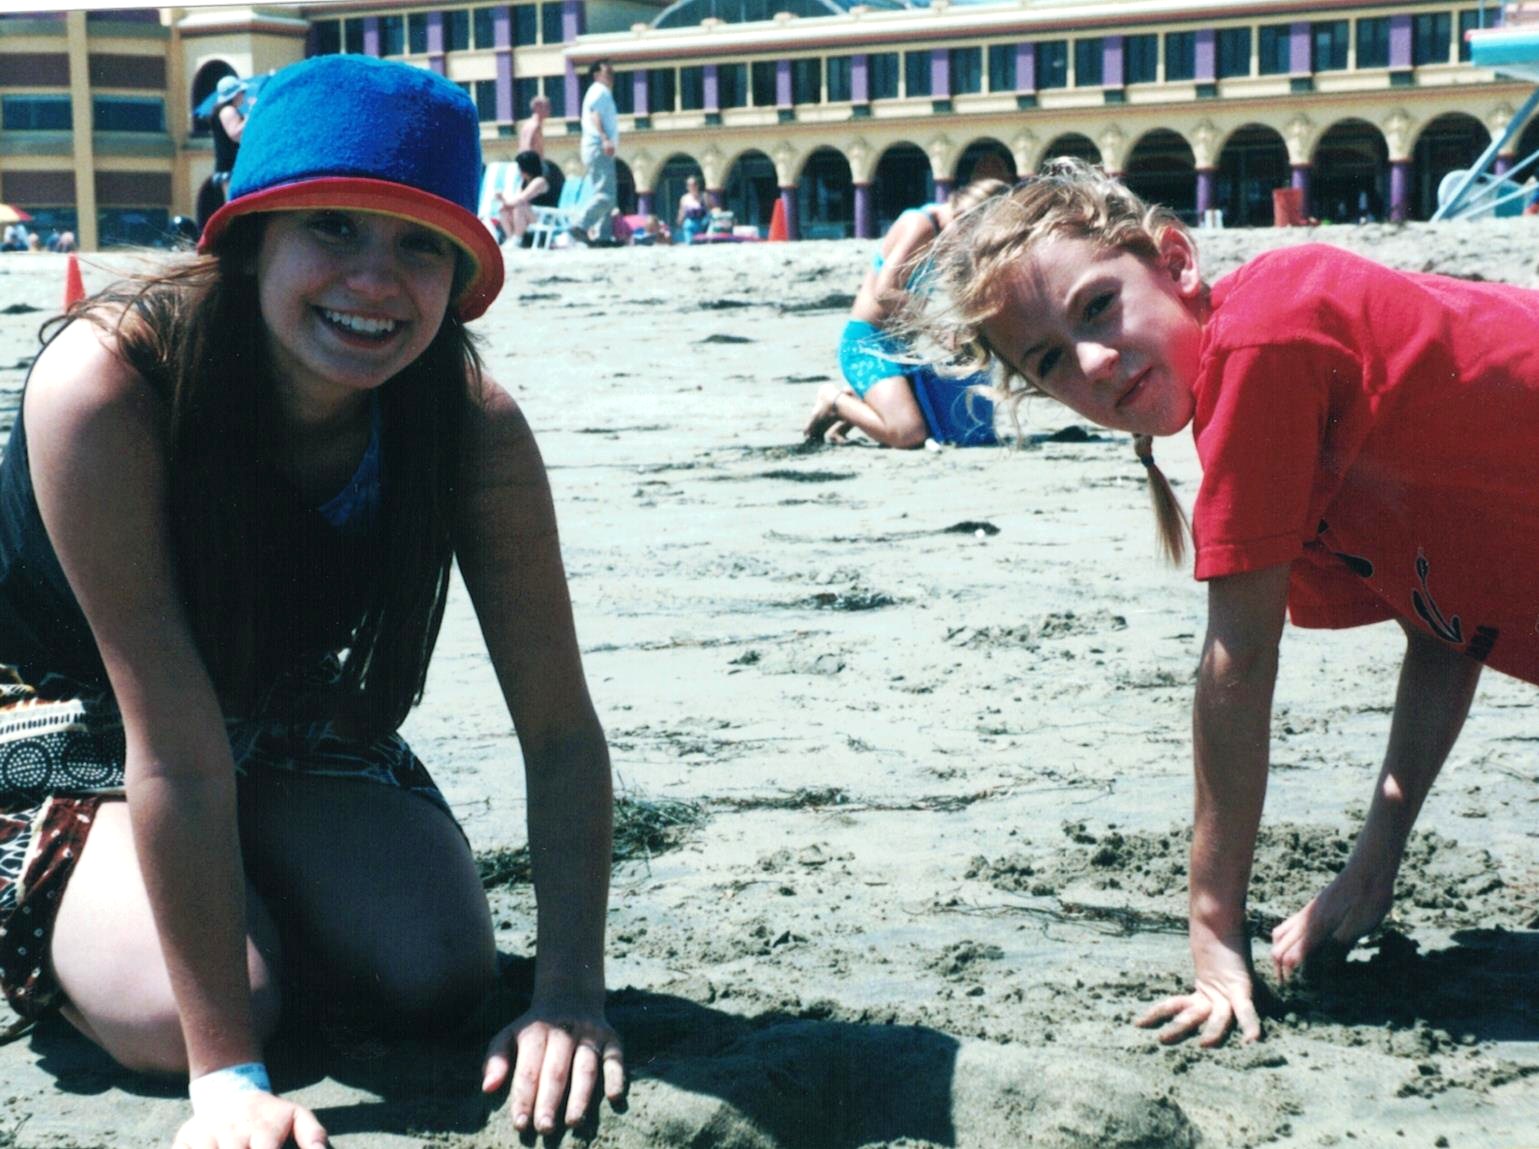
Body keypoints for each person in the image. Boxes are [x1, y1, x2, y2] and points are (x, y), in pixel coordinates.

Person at [0, 53, 624, 1148]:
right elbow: (170, 739)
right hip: (59, 721)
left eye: (421, 244)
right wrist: (227, 1078)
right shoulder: (109, 388)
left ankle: (225, 886)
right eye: (333, 228)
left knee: (432, 972)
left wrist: (569, 995)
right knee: (180, 1014)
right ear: (250, 241)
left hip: (268, 717)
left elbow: (562, 734)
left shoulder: (469, 428)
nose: (376, 280)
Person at [911, 157, 1539, 1047]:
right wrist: (1374, 863)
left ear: (1175, 261)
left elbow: (1234, 667)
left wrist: (1212, 929)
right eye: (1049, 361)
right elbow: (1443, 622)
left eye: (1098, 306)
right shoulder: (1275, 395)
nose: (1092, 361)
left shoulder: (1267, 342)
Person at [803, 179, 1008, 449]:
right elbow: (885, 292)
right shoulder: (920, 224)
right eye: (970, 235)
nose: (967, 245)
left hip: (900, 348)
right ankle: (834, 401)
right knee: (909, 434)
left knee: (935, 421)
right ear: (963, 216)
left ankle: (856, 403)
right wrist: (935, 330)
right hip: (868, 344)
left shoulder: (942, 232)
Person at [571, 60, 618, 246]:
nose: (612, 76)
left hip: (595, 147)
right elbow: (595, 115)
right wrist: (605, 138)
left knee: (604, 193)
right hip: (598, 145)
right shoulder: (600, 90)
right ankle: (581, 224)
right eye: (608, 72)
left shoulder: (599, 91)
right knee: (606, 195)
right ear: (597, 75)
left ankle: (603, 237)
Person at [494, 149, 556, 247]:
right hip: (531, 214)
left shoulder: (539, 181)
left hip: (544, 216)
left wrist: (505, 200)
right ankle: (510, 238)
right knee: (504, 210)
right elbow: (516, 198)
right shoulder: (524, 182)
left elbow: (522, 198)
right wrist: (504, 201)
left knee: (520, 206)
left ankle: (517, 238)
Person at [675, 175, 709, 245]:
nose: (692, 187)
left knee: (702, 244)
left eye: (694, 184)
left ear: (698, 185)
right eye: (689, 185)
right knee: (690, 243)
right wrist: (679, 222)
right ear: (687, 187)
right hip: (689, 224)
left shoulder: (704, 196)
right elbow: (682, 212)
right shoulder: (684, 198)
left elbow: (709, 210)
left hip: (702, 225)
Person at [517, 93, 551, 159]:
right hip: (531, 162)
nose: (549, 110)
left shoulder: (531, 124)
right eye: (546, 107)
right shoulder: (533, 126)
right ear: (537, 108)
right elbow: (526, 148)